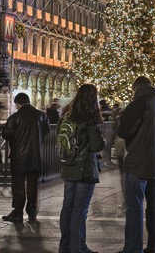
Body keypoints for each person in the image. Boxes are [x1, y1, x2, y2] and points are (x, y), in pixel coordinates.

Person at [118, 76, 155, 253]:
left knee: (134, 207)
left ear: (136, 88)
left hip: (137, 162)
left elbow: (123, 131)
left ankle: (133, 248)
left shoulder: (138, 103)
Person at [58, 84, 106, 253]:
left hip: (69, 167)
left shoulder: (66, 116)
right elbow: (96, 145)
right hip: (85, 169)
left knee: (67, 209)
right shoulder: (90, 118)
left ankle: (65, 247)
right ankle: (78, 248)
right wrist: (103, 140)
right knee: (80, 211)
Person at [2, 92, 50, 222]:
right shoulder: (42, 116)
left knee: (18, 185)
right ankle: (32, 211)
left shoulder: (14, 117)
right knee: (32, 185)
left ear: (18, 104)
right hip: (35, 156)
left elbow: (6, 135)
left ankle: (18, 212)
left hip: (19, 157)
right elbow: (47, 131)